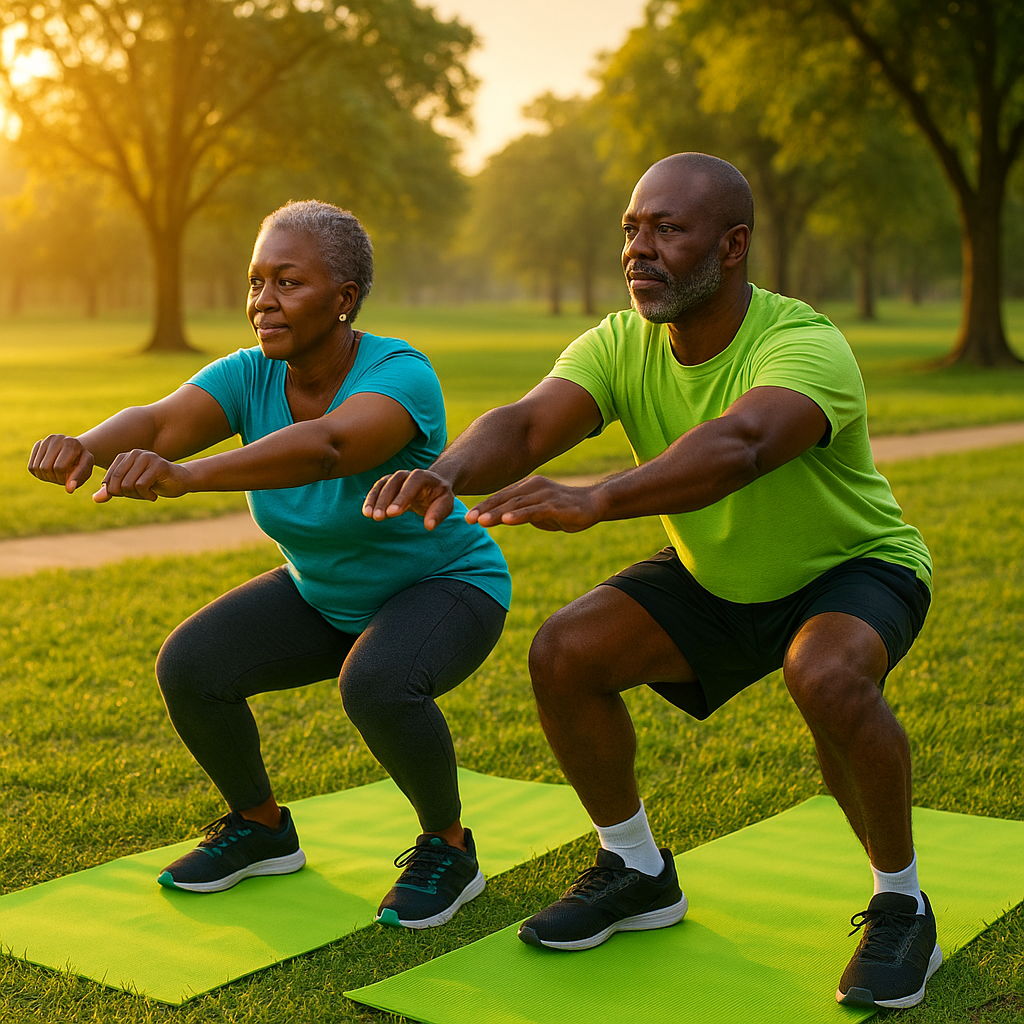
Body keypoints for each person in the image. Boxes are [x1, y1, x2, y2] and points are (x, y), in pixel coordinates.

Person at [363, 154, 938, 1009]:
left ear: (733, 245)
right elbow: (525, 423)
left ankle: (903, 906)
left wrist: (599, 499)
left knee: (823, 673)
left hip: (850, 569)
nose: (639, 248)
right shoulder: (619, 341)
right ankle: (635, 870)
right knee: (565, 652)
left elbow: (741, 446)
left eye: (668, 229)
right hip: (716, 573)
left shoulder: (802, 343)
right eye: (632, 229)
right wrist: (448, 471)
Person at [28, 199, 511, 930]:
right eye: (256, 282)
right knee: (192, 665)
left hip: (443, 587)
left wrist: (191, 476)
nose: (263, 302)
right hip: (325, 596)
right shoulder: (248, 376)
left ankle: (449, 847)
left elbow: (329, 447)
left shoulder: (400, 373)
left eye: (287, 282)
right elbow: (160, 422)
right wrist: (86, 444)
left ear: (344, 299)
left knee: (377, 683)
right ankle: (261, 829)